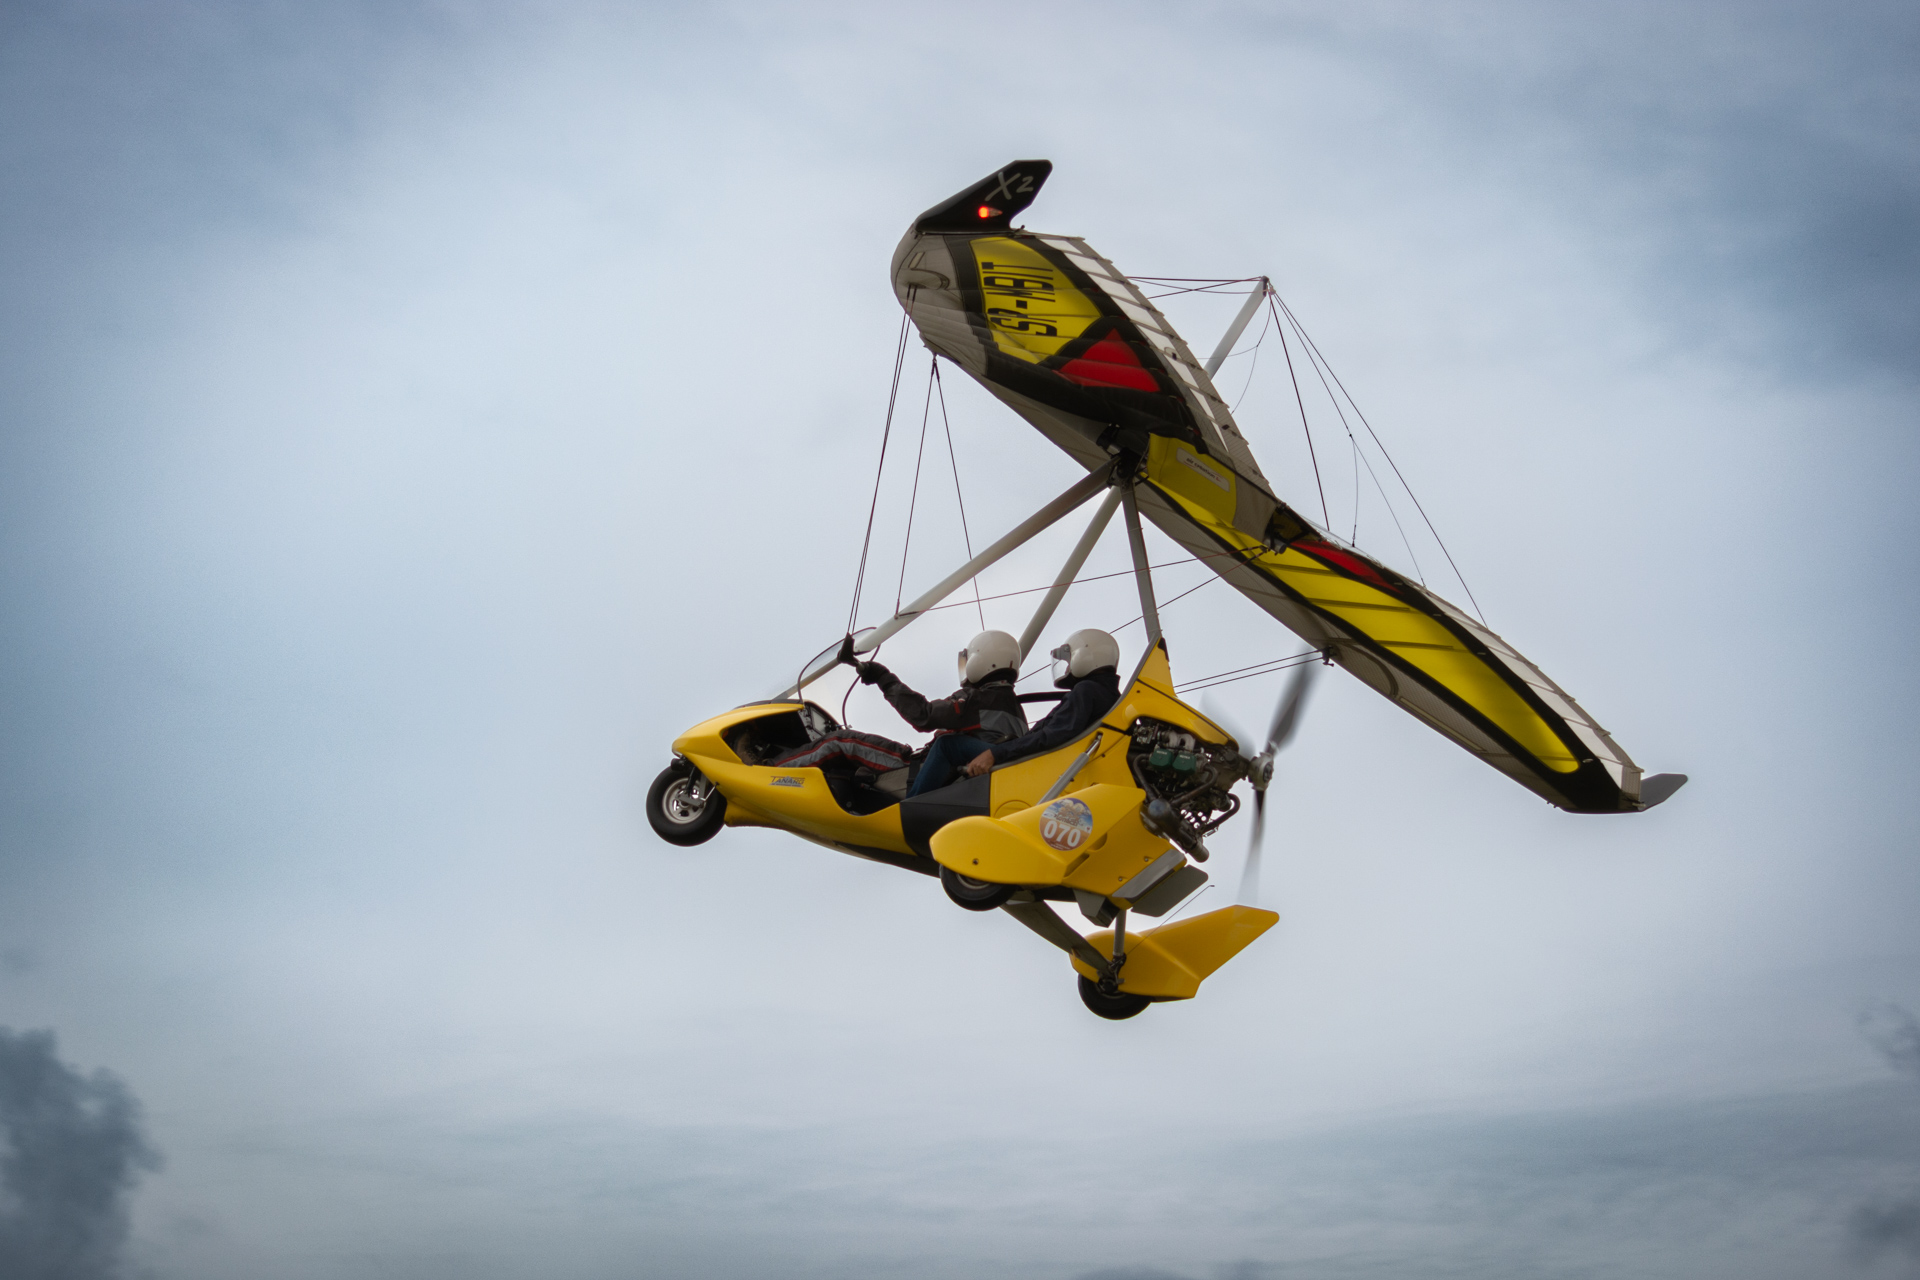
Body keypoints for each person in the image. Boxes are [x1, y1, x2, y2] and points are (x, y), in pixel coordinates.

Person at [770, 631, 1028, 797]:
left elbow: (922, 715)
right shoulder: (1014, 708)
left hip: (924, 773)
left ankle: (766, 770)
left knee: (841, 741)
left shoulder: (978, 699)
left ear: (982, 660)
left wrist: (884, 678)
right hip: (951, 776)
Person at [963, 628, 1121, 778]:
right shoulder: (1110, 697)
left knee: (949, 745)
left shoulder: (1086, 691)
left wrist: (995, 754)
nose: (1066, 671)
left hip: (1051, 771)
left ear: (1086, 655)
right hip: (1072, 767)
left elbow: (1051, 735)